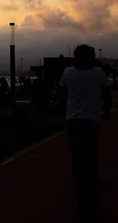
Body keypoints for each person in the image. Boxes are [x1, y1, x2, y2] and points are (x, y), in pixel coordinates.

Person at [57, 45, 109, 219]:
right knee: (92, 155)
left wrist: (61, 113)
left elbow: (62, 94)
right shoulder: (99, 73)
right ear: (92, 56)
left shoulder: (68, 72)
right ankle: (90, 192)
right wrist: (107, 111)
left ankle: (81, 191)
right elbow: (107, 93)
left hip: (73, 120)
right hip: (92, 120)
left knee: (77, 157)